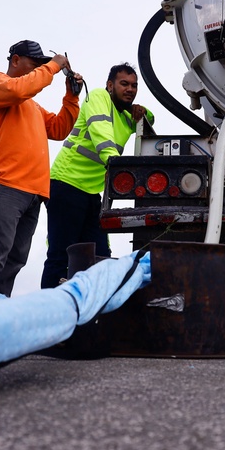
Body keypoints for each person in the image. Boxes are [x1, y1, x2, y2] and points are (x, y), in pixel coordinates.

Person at [0, 40, 82, 296]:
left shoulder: (33, 106)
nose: (37, 70)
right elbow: (20, 89)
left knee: (16, 257)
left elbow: (60, 129)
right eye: (34, 64)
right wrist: (54, 65)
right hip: (6, 183)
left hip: (34, 191)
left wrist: (71, 97)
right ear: (15, 60)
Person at [40, 63, 152, 288]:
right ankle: (50, 312)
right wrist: (118, 166)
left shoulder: (126, 115)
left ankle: (95, 315)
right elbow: (103, 139)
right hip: (66, 184)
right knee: (61, 256)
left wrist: (142, 111)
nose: (130, 89)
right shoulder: (98, 98)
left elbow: (149, 121)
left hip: (91, 193)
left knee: (100, 256)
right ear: (110, 85)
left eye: (134, 86)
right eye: (124, 84)